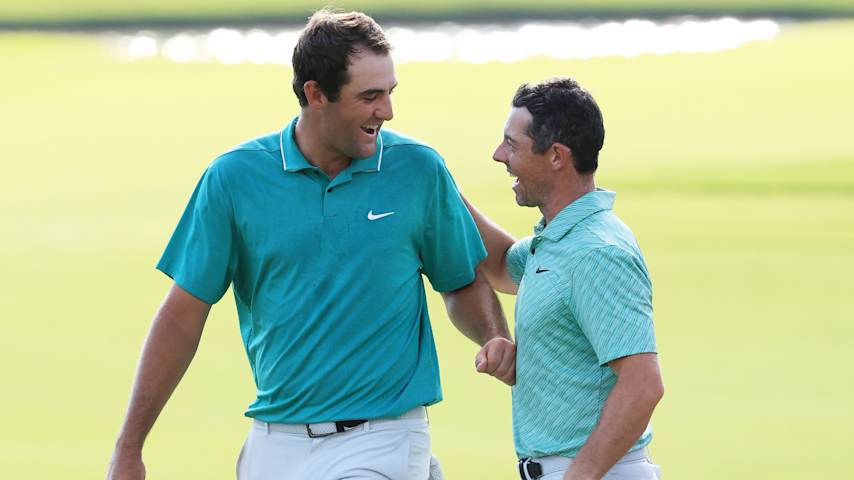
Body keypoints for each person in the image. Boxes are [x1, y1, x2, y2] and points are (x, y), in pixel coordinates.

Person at [107, 9, 515, 480]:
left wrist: (493, 336)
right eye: (369, 96)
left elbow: (461, 281)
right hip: (272, 442)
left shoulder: (418, 170)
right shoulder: (233, 179)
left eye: (389, 93)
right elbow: (182, 316)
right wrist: (129, 446)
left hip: (383, 436)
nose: (387, 110)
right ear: (315, 94)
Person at [466, 77, 664, 480]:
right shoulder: (559, 238)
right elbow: (502, 265)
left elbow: (643, 384)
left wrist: (579, 476)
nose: (498, 154)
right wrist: (440, 189)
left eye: (512, 144)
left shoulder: (597, 252)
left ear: (556, 156)